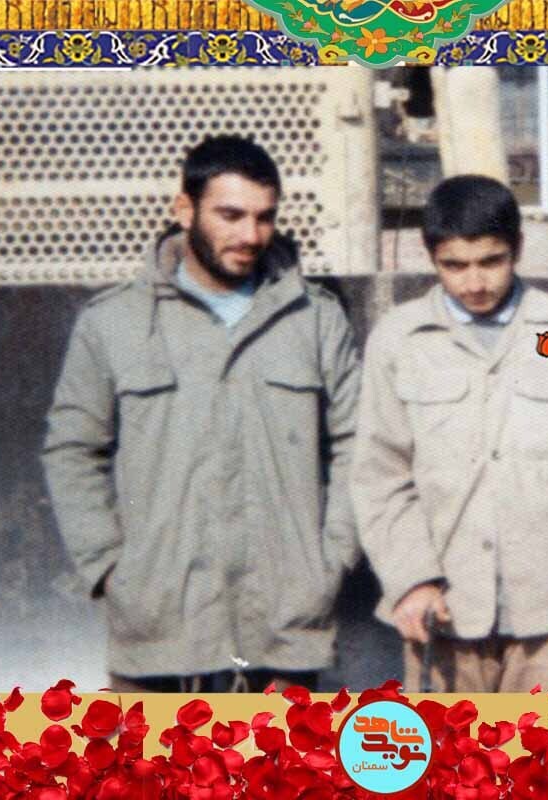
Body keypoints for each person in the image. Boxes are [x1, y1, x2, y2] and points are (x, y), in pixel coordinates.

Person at [42, 135, 361, 692]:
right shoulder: (113, 322)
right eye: (230, 215)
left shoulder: (315, 319)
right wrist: (111, 570)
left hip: (285, 630)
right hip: (157, 631)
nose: (250, 235)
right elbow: (72, 450)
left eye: (264, 217)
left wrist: (330, 562)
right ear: (184, 209)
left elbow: (360, 444)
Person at [351, 175, 548, 693]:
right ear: (431, 257)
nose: (475, 282)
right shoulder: (401, 339)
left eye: (491, 261)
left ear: (517, 249)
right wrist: (410, 580)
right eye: (454, 265)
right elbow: (380, 473)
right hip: (443, 608)